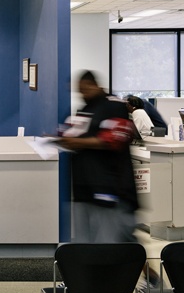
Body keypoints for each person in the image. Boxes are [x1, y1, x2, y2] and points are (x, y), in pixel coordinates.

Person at [57, 71, 138, 243]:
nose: (82, 95)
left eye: (84, 90)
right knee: (86, 246)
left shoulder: (114, 105)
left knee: (111, 246)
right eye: (79, 91)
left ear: (93, 85)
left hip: (110, 188)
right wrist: (57, 139)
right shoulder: (85, 110)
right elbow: (70, 132)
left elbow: (114, 139)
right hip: (84, 190)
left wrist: (78, 143)